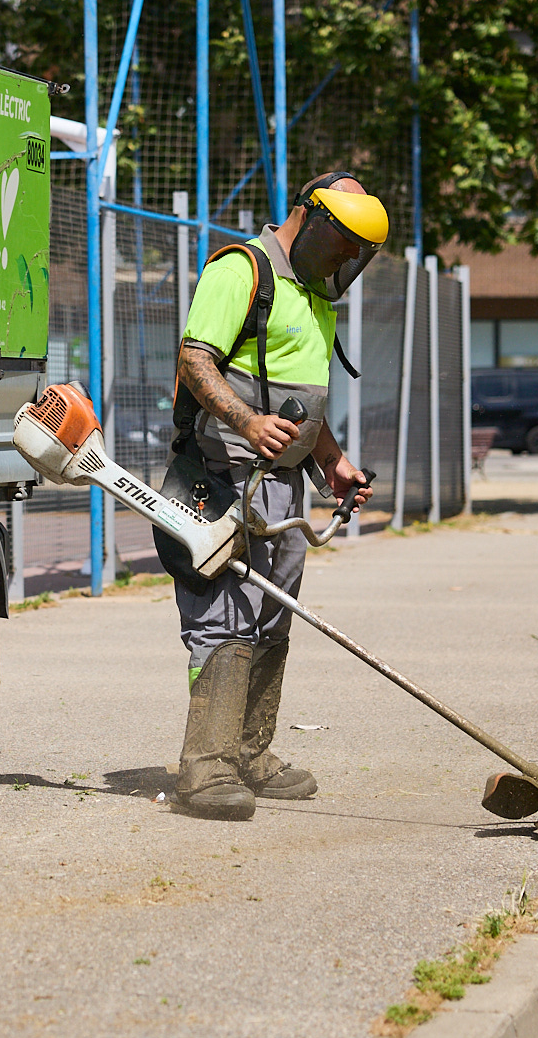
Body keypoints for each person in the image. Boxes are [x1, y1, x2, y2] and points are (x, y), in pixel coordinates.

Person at [163, 170, 389, 821]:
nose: (350, 259)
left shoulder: (314, 296)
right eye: (346, 244)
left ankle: (249, 755)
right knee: (225, 616)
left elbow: (301, 401)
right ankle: (206, 771)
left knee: (272, 615)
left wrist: (334, 462)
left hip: (284, 482)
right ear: (312, 220)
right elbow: (196, 360)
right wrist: (248, 423)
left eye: (360, 253)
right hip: (222, 471)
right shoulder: (244, 270)